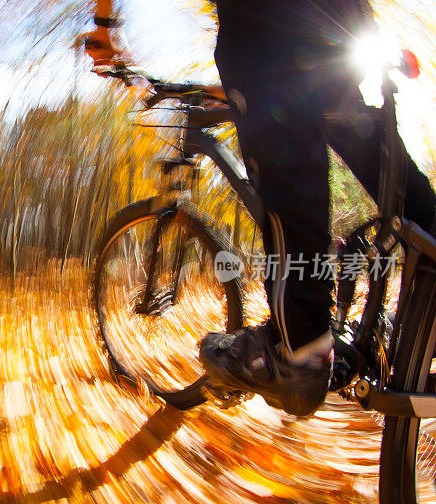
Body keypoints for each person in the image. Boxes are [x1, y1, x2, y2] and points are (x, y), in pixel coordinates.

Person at [85, 0, 436, 416]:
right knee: (360, 137)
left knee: (279, 128)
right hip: (341, 20)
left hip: (269, 22)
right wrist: (237, 93)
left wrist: (104, 28)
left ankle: (299, 350)